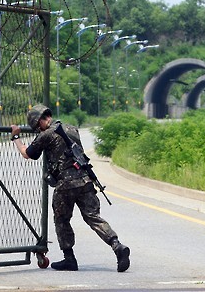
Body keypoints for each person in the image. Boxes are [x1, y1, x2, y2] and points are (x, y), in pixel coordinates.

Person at [10, 104, 130, 272]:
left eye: (37, 127)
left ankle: (69, 258)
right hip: (85, 180)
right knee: (93, 217)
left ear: (40, 121)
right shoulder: (71, 128)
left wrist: (16, 138)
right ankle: (117, 245)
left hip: (66, 184)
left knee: (61, 220)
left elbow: (27, 153)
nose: (38, 130)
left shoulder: (47, 134)